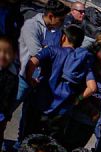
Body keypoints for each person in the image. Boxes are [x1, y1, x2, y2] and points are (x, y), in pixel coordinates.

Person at [22, 24, 86, 138]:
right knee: (46, 144)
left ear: (64, 37)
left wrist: (30, 80)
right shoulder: (82, 61)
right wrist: (77, 99)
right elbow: (92, 87)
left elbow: (32, 62)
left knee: (28, 138)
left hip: (40, 102)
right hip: (61, 110)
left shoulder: (52, 50)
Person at [16, 0, 69, 133]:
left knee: (27, 116)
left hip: (36, 80)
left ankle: (20, 143)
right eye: (60, 19)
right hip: (23, 77)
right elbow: (37, 52)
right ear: (51, 16)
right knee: (7, 111)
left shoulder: (53, 30)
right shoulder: (32, 25)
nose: (62, 23)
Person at [60, 40, 101, 149]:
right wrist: (92, 110)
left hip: (89, 125)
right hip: (75, 120)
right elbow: (78, 95)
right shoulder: (89, 73)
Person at [0, 36, 18, 143]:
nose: (3, 55)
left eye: (7, 52)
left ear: (14, 55)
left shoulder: (13, 74)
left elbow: (13, 96)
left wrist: (8, 114)